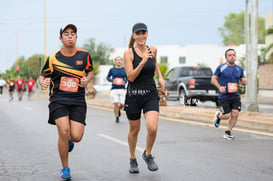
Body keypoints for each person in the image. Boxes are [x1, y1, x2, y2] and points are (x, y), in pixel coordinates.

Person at [38, 24, 94, 180]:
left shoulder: (84, 55)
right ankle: (65, 168)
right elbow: (43, 75)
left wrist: (86, 80)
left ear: (76, 37)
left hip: (77, 100)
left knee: (76, 136)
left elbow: (90, 71)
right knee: (63, 131)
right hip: (58, 99)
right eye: (66, 34)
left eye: (73, 33)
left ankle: (69, 140)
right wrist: (42, 82)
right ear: (61, 38)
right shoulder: (53, 57)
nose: (70, 36)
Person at [123, 22, 165, 173]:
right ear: (134, 36)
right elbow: (131, 77)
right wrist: (141, 62)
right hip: (134, 95)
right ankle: (133, 158)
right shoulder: (128, 53)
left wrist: (160, 77)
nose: (141, 36)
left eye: (143, 33)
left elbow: (155, 64)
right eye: (138, 33)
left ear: (147, 34)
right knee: (134, 130)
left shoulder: (152, 50)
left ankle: (147, 154)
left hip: (150, 94)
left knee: (152, 128)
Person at [211, 48, 248, 140]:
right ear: (226, 57)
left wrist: (243, 81)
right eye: (230, 55)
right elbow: (213, 79)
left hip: (235, 95)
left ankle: (228, 132)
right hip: (224, 96)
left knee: (235, 114)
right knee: (226, 116)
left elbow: (241, 79)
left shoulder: (239, 69)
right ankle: (218, 116)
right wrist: (220, 87)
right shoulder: (221, 68)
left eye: (233, 55)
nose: (232, 57)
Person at [106, 56, 128, 123]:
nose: (119, 61)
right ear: (115, 62)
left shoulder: (124, 69)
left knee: (122, 104)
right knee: (115, 103)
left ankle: (118, 110)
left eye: (120, 60)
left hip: (122, 89)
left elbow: (127, 77)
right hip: (114, 89)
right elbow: (107, 77)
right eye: (117, 60)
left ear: (121, 61)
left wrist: (125, 81)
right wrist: (112, 80)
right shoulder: (112, 70)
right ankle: (117, 117)